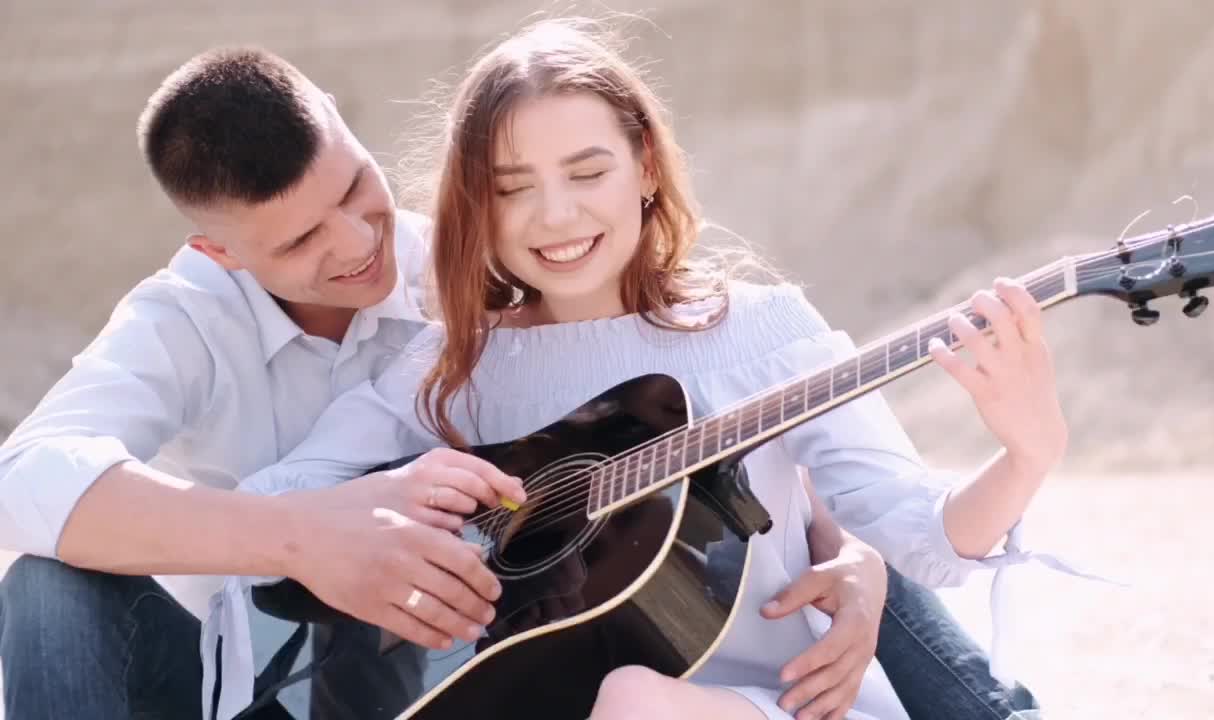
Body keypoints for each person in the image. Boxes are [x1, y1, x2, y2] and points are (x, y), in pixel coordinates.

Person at [206, 17, 1079, 720]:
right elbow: (269, 504)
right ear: (478, 202)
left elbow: (925, 540)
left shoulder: (763, 331)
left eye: (588, 172)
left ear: (647, 169)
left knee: (632, 701)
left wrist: (1026, 455)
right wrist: (388, 508)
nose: (555, 215)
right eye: (512, 187)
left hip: (763, 706)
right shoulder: (456, 368)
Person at [0, 47, 526, 720]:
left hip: (437, 682)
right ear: (219, 252)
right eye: (300, 241)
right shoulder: (184, 316)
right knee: (47, 587)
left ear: (338, 116)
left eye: (352, 188)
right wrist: (300, 536)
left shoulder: (468, 278)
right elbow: (22, 477)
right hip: (221, 691)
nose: (357, 242)